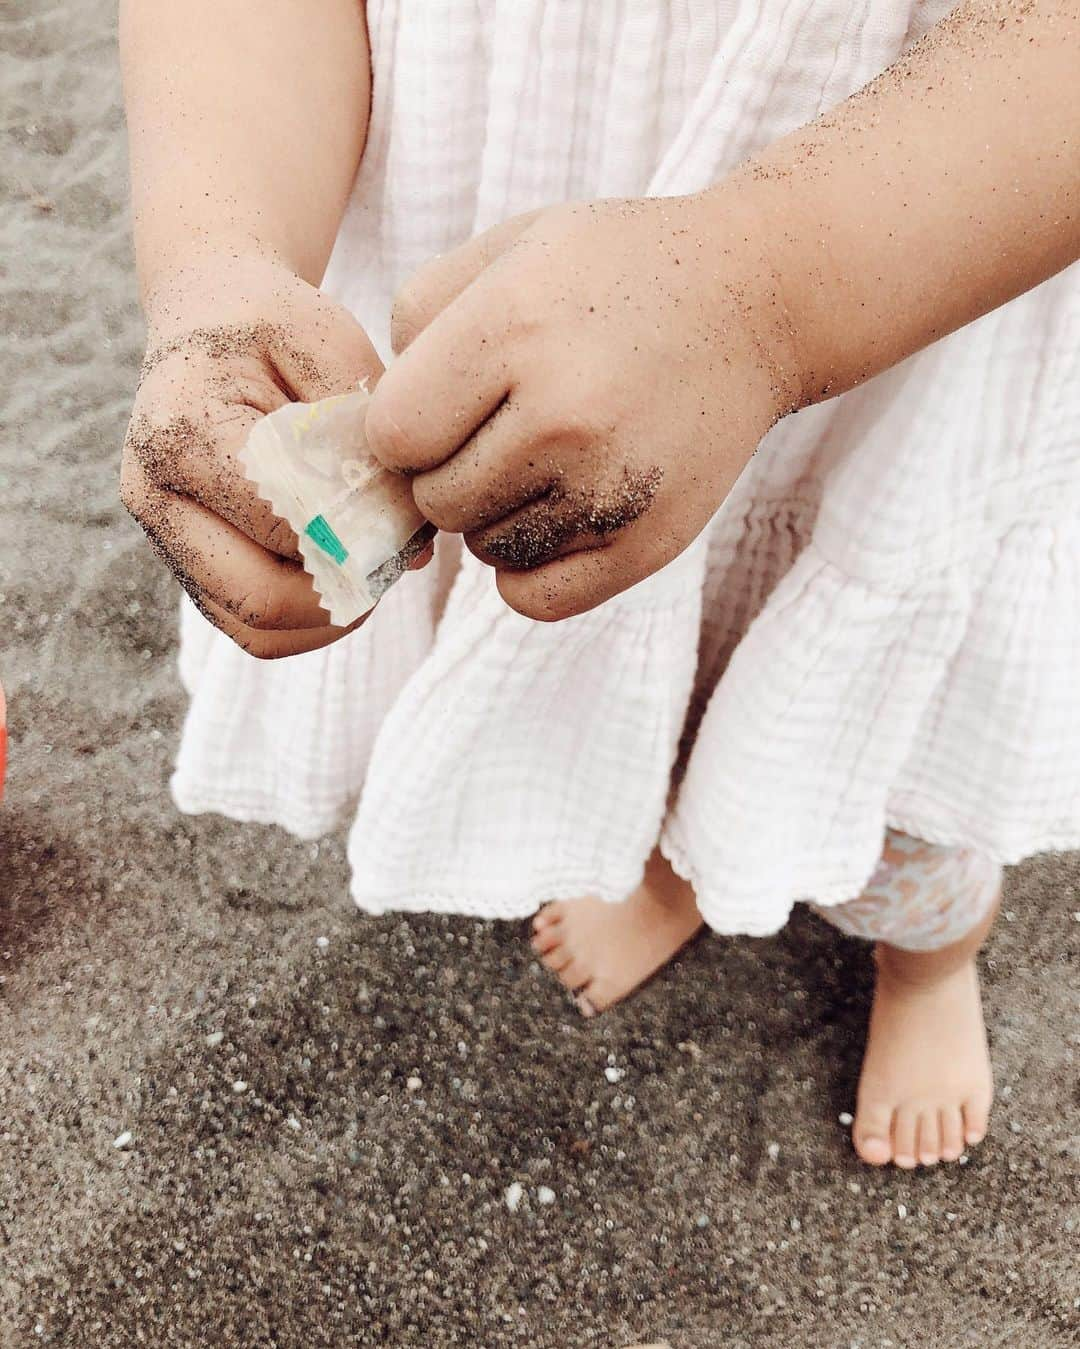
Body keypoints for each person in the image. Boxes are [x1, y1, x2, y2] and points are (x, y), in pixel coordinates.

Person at [120, 0, 1080, 1169]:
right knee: (620, 672)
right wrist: (219, 260)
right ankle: (668, 861)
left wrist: (762, 295)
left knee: (891, 804)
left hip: (919, 257)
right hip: (477, 227)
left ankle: (929, 967)